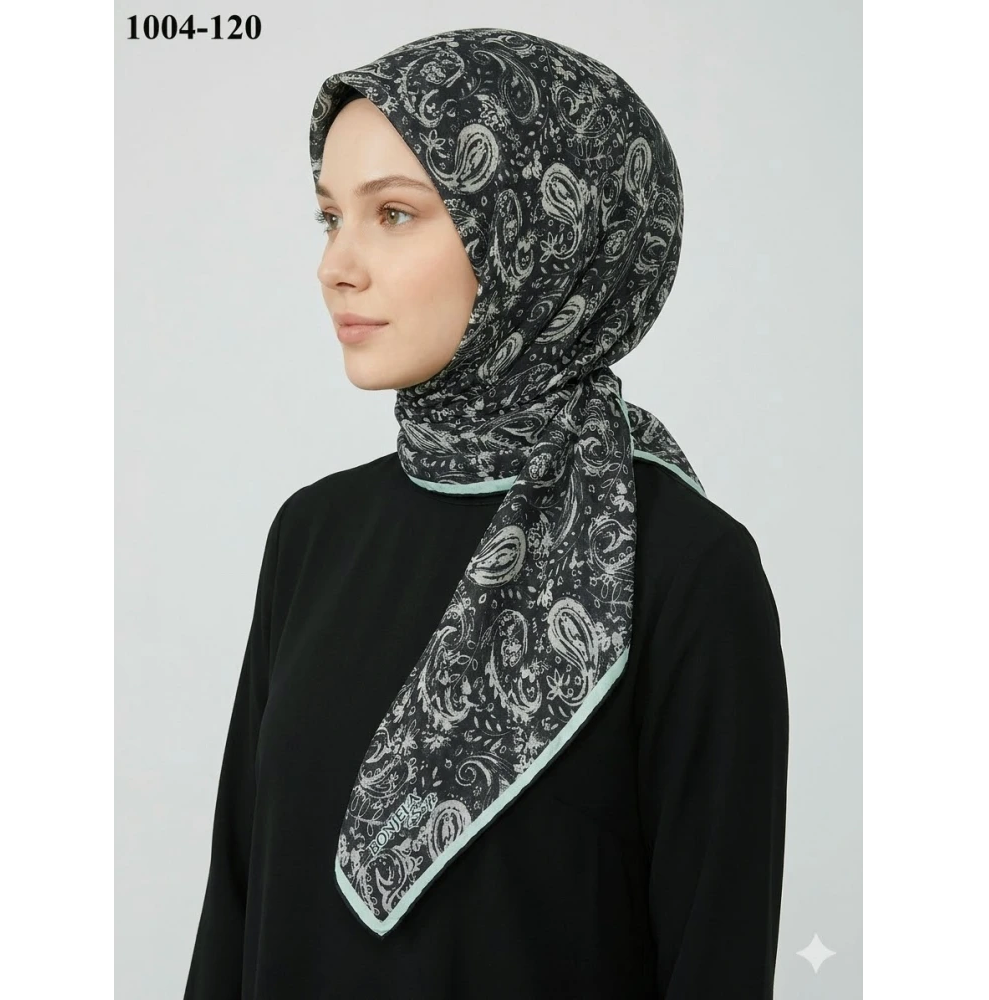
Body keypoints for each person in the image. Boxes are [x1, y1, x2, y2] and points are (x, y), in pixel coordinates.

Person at [183, 26, 789, 999]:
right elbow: (236, 913)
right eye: (330, 216)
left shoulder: (679, 566)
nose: (336, 266)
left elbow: (714, 961)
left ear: (541, 231)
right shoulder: (312, 534)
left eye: (394, 214)